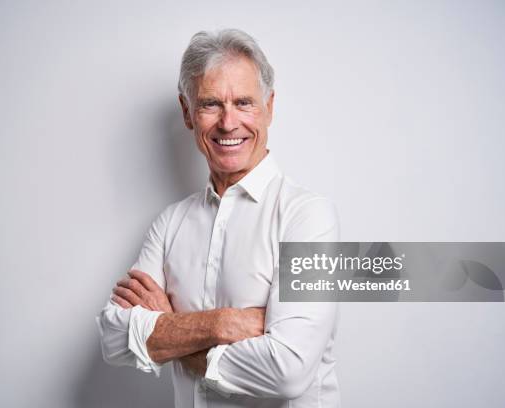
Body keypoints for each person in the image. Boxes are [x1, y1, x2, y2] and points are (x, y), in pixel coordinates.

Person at [95, 28, 341, 407]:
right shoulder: (169, 224)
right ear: (187, 113)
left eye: (243, 102)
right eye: (210, 104)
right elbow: (113, 337)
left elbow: (288, 372)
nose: (228, 123)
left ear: (269, 107)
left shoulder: (308, 217)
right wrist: (223, 324)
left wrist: (170, 332)